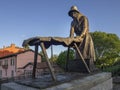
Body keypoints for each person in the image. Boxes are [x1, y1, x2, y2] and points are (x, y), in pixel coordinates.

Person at [68, 6, 96, 70]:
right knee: (78, 54)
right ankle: (80, 68)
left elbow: (85, 28)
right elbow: (71, 32)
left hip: (85, 37)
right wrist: (70, 39)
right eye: (71, 13)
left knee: (86, 53)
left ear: (77, 12)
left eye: (73, 13)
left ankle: (89, 67)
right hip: (78, 38)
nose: (72, 15)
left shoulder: (84, 18)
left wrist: (80, 36)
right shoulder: (72, 22)